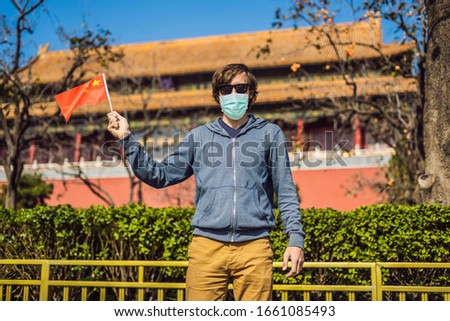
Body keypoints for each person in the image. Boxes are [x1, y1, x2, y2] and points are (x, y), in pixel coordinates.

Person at [107, 63, 305, 301]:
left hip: (255, 248)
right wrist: (127, 139)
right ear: (217, 95)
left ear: (251, 93)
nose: (233, 94)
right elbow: (159, 175)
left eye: (240, 88)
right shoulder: (199, 137)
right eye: (225, 89)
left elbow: (285, 191)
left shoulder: (269, 134)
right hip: (206, 247)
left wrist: (295, 240)